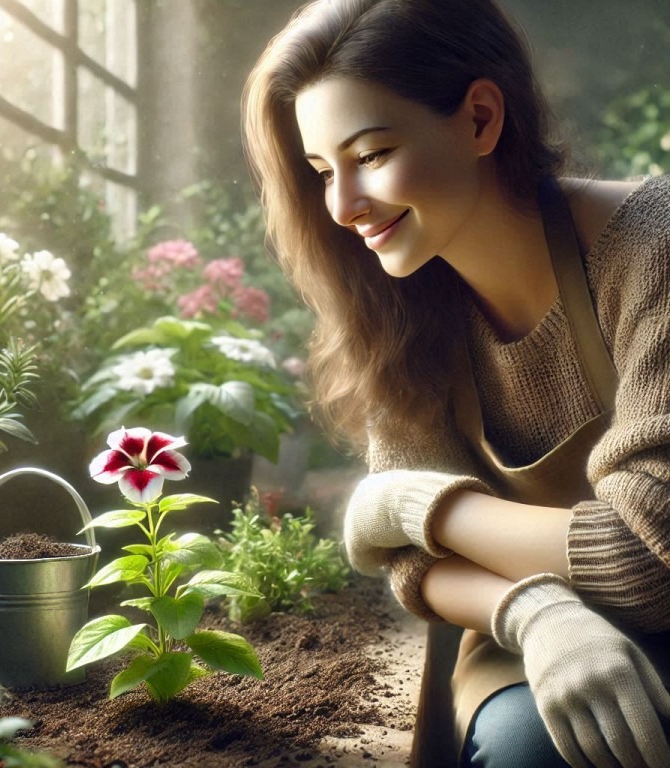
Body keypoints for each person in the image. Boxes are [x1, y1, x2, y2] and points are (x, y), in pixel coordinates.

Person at [241, 0, 670, 766]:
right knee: (531, 746)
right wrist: (534, 613)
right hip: (524, 635)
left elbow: (647, 563)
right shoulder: (401, 311)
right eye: (320, 172)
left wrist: (409, 503)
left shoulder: (651, 252)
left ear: (479, 118)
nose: (341, 206)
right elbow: (414, 562)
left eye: (370, 154)